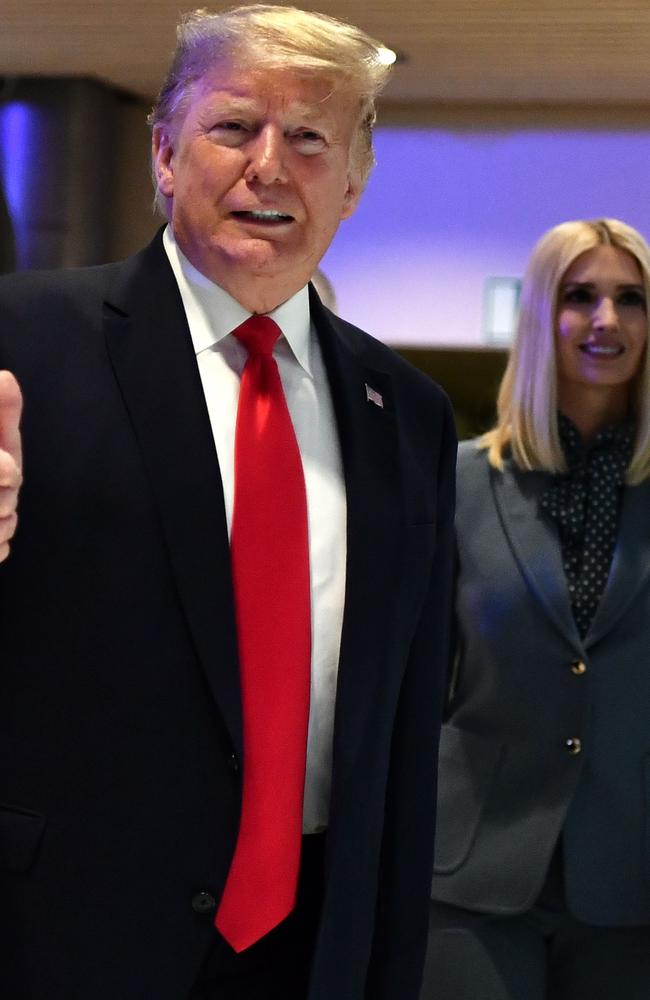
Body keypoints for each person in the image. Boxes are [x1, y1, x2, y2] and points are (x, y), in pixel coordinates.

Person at [0, 6, 456, 999]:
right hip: (60, 941)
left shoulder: (406, 414)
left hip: (314, 948)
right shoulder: (21, 344)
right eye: (233, 126)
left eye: (307, 138)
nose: (269, 166)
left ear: (352, 182)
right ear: (164, 152)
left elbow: (401, 726)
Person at [420, 218, 650, 1000]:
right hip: (470, 875)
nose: (606, 321)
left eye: (631, 299)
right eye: (580, 296)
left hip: (631, 878)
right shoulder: (455, 484)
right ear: (540, 314)